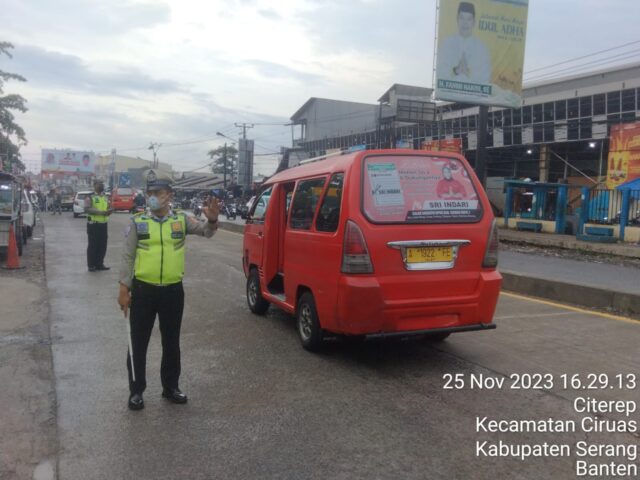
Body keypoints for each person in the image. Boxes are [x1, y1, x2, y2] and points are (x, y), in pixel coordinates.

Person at [117, 169, 220, 410]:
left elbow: (206, 232)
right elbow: (127, 257)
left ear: (168, 195)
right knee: (138, 342)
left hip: (173, 291)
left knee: (171, 341)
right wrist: (124, 288)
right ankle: (136, 391)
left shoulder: (181, 220)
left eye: (157, 192)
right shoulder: (137, 222)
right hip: (143, 291)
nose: (152, 196)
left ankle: (170, 387)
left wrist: (213, 220)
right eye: (149, 192)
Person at [437, 2, 491, 85]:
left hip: (474, 97)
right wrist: (456, 70)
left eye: (469, 19)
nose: (465, 23)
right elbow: (440, 72)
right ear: (457, 19)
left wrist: (468, 71)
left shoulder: (481, 48)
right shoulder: (447, 44)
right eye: (462, 18)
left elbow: (485, 77)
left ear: (474, 22)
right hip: (449, 95)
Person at [84, 179, 113, 272]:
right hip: (93, 225)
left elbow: (108, 207)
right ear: (95, 185)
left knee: (102, 245)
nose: (101, 185)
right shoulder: (90, 197)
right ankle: (91, 265)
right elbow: (87, 209)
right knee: (93, 245)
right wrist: (101, 213)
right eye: (99, 184)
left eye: (102, 183)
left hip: (103, 225)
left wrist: (109, 210)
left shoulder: (105, 197)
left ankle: (99, 264)